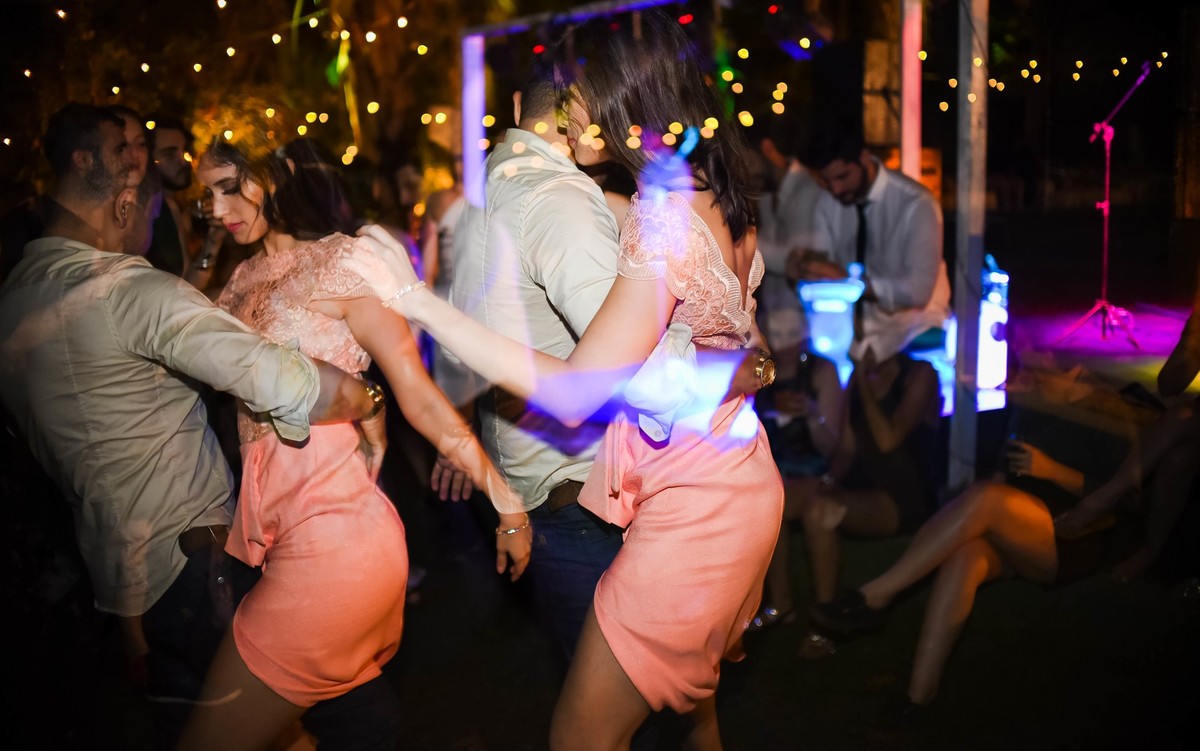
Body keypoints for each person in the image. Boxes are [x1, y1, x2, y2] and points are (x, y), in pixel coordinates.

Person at [346, 12, 784, 749]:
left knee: (581, 737)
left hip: (693, 505)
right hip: (736, 470)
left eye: (579, 101)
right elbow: (740, 347)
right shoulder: (716, 188)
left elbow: (581, 389)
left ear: (627, 105)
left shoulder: (660, 218)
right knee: (691, 713)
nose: (568, 116)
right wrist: (744, 369)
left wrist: (417, 302)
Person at [0, 103, 382, 748]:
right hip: (200, 565)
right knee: (354, 720)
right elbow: (277, 377)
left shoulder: (12, 304)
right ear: (127, 204)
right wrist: (367, 400)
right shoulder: (127, 291)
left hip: (125, 579)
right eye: (152, 216)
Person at [179, 127, 531, 751]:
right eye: (207, 197)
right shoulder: (236, 285)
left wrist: (505, 502)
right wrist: (209, 240)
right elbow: (176, 316)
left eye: (231, 190)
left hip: (337, 541)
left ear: (277, 175)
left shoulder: (343, 262)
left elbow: (417, 392)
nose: (220, 209)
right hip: (279, 540)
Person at [811, 434, 1141, 721]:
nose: (1035, 362)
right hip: (1015, 523)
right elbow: (1003, 471)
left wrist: (1054, 471)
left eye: (1046, 358)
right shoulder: (1030, 403)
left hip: (1072, 532)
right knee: (964, 555)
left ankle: (876, 596)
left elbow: (1131, 495)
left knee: (986, 497)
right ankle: (918, 698)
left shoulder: (1104, 411)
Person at [787, 126, 950, 361]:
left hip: (914, 332)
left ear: (865, 157)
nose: (836, 189)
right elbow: (822, 264)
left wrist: (851, 283)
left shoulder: (916, 204)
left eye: (842, 177)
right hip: (852, 337)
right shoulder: (828, 201)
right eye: (826, 181)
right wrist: (802, 267)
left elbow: (918, 291)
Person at [747, 344, 843, 632]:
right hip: (770, 474)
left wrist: (812, 414)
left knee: (772, 503)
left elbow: (833, 446)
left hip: (815, 474)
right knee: (763, 499)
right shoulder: (751, 370)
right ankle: (779, 603)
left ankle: (823, 615)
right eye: (778, 327)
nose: (786, 338)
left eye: (792, 326)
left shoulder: (820, 370)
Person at [751, 119, 823, 359]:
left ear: (768, 148)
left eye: (747, 159)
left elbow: (795, 258)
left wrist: (739, 239)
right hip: (776, 322)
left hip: (805, 328)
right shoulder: (769, 193)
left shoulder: (807, 190)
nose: (742, 169)